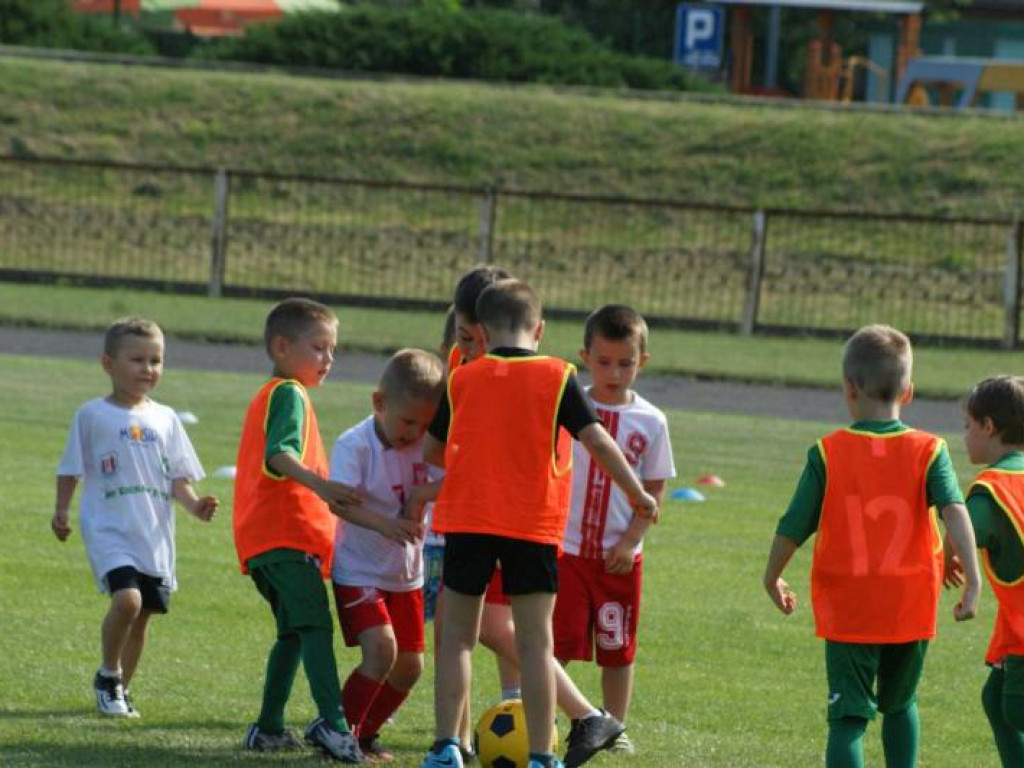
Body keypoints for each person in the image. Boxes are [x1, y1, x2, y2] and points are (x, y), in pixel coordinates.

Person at [416, 279, 658, 768]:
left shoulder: (463, 378)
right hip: (532, 524)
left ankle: (445, 747)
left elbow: (432, 450)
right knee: (535, 643)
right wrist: (637, 494)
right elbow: (597, 441)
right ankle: (542, 756)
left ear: (483, 333)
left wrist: (479, 459)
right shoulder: (557, 376)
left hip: (468, 518)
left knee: (457, 636)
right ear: (540, 329)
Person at [762, 323, 980, 768]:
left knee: (848, 718)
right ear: (908, 392)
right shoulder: (930, 449)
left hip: (850, 606)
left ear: (848, 387)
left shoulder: (828, 452)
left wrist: (772, 576)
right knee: (901, 704)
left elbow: (793, 525)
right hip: (909, 602)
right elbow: (955, 510)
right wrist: (972, 578)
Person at [52, 317, 218, 718]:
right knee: (127, 600)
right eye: (137, 360)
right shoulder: (92, 415)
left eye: (156, 360)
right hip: (109, 528)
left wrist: (195, 506)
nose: (148, 369)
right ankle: (109, 675)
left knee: (142, 617)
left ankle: (121, 691)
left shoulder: (166, 418)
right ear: (108, 363)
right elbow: (70, 468)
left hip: (153, 535)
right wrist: (61, 510)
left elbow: (178, 478)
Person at [232, 297, 363, 763]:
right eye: (319, 348)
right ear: (282, 347)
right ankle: (334, 724)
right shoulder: (288, 393)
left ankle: (268, 729)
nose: (329, 359)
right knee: (314, 626)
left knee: (292, 632)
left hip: (267, 541)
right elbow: (279, 455)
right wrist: (322, 487)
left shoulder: (278, 393)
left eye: (333, 350)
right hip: (284, 537)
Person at [554, 304, 675, 754]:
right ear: (584, 357)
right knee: (555, 643)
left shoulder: (652, 421)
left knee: (617, 649)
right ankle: (546, 713)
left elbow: (654, 490)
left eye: (626, 363)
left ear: (642, 361)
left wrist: (630, 541)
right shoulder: (568, 408)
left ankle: (615, 727)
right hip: (566, 551)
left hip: (618, 560)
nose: (614, 373)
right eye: (604, 362)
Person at [330, 349, 445, 762]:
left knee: (410, 666)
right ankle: (337, 731)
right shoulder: (354, 444)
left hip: (406, 574)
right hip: (359, 569)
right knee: (381, 651)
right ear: (379, 403)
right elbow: (339, 504)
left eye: (427, 425)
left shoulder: (427, 445)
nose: (416, 433)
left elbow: (458, 479)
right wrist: (385, 525)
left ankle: (365, 735)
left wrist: (421, 496)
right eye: (408, 422)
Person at [962, 375, 1024, 767]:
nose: (964, 436)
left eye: (967, 425)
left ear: (988, 426)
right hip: (1016, 622)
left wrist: (951, 555)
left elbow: (966, 531)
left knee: (1016, 707)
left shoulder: (992, 488)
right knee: (996, 698)